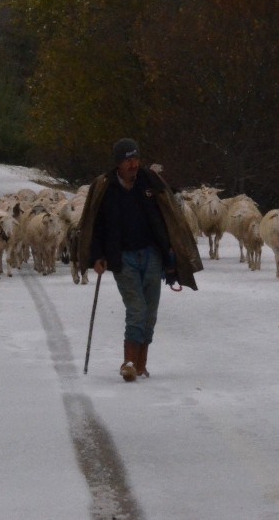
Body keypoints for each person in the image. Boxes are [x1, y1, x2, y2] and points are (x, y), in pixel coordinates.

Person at [77, 138, 200, 381]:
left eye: (135, 159)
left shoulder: (150, 182)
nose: (133, 164)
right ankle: (129, 361)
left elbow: (167, 215)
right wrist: (96, 257)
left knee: (150, 311)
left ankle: (141, 363)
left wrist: (172, 250)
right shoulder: (105, 187)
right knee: (137, 309)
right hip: (122, 258)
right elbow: (96, 225)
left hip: (152, 254)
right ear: (118, 163)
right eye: (127, 160)